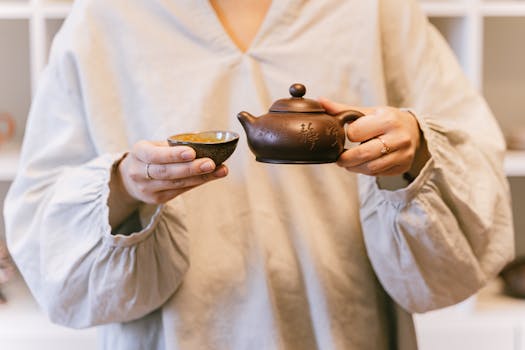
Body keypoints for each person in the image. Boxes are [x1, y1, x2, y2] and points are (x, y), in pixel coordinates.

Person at [3, 0, 515, 349]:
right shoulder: (107, 16)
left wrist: (414, 148)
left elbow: (475, 172)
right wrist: (123, 186)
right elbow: (42, 220)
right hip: (179, 334)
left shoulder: (374, 10)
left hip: (346, 326)